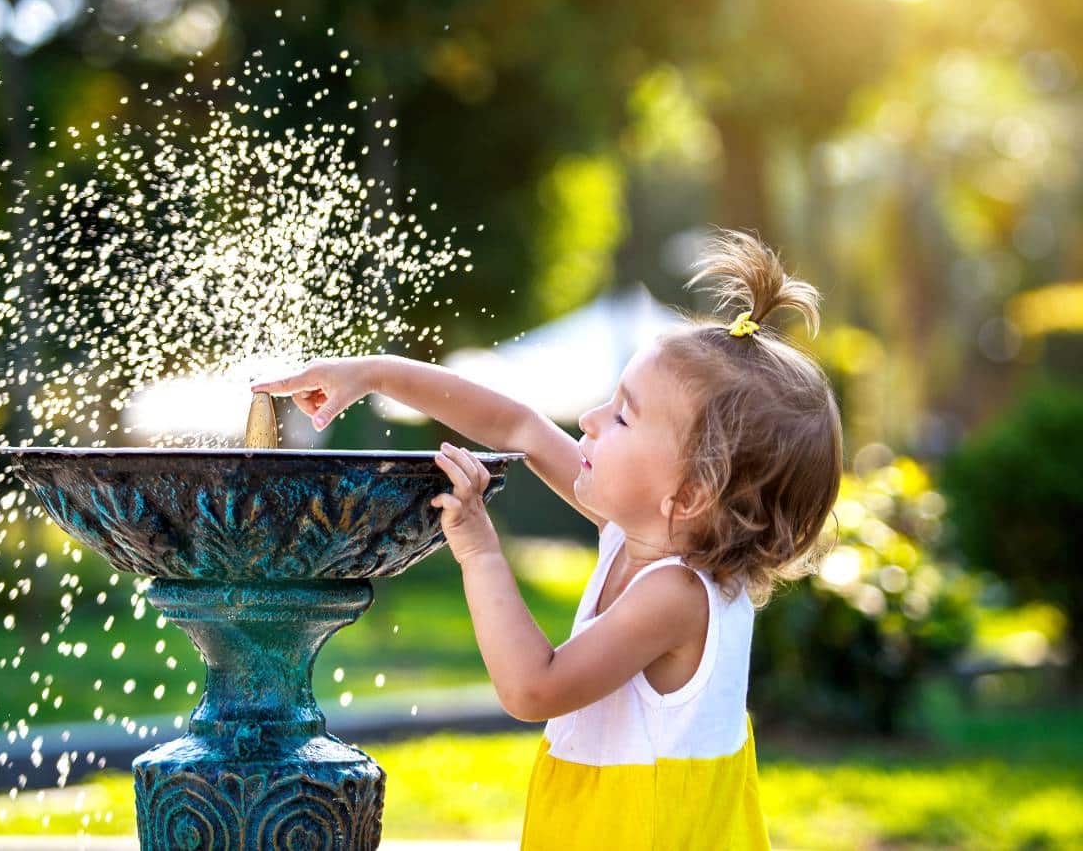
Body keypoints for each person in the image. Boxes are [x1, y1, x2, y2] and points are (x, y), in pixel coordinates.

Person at [251, 229, 843, 850]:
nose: (589, 420)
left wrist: (479, 551)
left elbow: (533, 689)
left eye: (622, 416)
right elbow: (519, 425)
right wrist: (374, 373)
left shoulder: (678, 595)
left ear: (689, 494)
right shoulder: (639, 536)